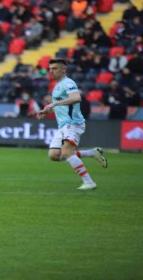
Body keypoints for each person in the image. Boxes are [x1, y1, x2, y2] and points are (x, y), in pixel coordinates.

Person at [36, 58, 108, 191]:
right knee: (54, 155)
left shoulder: (68, 83)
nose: (51, 71)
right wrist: (49, 110)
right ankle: (92, 153)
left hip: (73, 123)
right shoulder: (57, 86)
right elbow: (63, 105)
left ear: (64, 70)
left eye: (55, 68)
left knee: (66, 152)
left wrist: (55, 103)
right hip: (62, 125)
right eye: (50, 69)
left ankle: (89, 182)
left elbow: (76, 98)